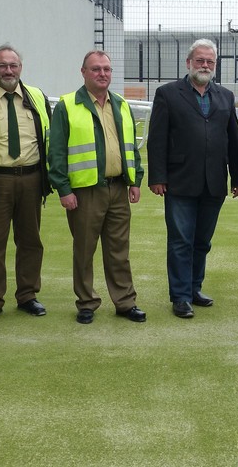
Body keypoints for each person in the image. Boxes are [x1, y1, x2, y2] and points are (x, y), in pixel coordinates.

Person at [48, 50, 147, 324]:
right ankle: (87, 303)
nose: (102, 74)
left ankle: (125, 302)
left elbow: (131, 146)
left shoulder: (121, 104)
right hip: (84, 191)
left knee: (119, 250)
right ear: (83, 72)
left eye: (106, 69)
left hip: (118, 189)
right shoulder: (68, 105)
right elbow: (56, 152)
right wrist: (64, 189)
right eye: (96, 69)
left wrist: (134, 179)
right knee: (84, 249)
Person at [147, 39, 238, 318]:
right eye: (200, 61)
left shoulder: (225, 96)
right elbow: (157, 139)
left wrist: (237, 176)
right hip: (179, 181)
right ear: (189, 63)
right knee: (180, 240)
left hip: (214, 182)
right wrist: (158, 176)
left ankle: (194, 287)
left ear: (215, 65)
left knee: (202, 241)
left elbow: (233, 140)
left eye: (210, 62)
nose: (204, 66)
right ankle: (180, 296)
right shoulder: (167, 93)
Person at [0, 45, 52, 323]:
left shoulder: (37, 97)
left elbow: (48, 137)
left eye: (13, 65)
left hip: (31, 178)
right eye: (2, 65)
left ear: (21, 67)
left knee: (31, 241)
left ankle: (28, 295)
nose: (8, 71)